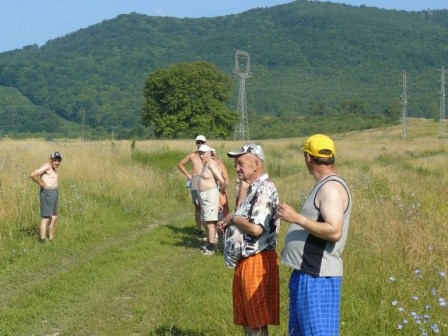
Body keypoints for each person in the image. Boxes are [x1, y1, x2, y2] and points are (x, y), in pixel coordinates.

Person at [279, 134, 352, 336]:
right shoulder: (326, 184)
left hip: (317, 276)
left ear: (308, 157)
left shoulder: (331, 188)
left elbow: (334, 231)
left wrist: (296, 218)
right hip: (307, 272)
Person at [218, 144, 280, 336]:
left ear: (256, 163)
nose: (237, 168)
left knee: (256, 320)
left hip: (257, 260)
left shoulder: (264, 189)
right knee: (248, 318)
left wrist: (233, 218)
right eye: (236, 164)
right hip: (247, 260)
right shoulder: (254, 188)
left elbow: (255, 228)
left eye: (240, 163)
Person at [198, 144, 227, 255]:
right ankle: (212, 243)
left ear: (209, 154)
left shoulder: (211, 164)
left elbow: (221, 180)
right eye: (200, 153)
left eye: (203, 153)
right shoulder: (205, 164)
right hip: (204, 196)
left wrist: (220, 195)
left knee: (210, 222)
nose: (201, 156)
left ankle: (212, 247)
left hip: (210, 196)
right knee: (204, 221)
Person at [30, 151, 62, 242]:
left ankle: (51, 238)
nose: (57, 162)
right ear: (51, 159)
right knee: (46, 217)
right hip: (47, 192)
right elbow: (33, 175)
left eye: (59, 160)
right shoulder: (47, 166)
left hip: (54, 192)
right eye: (55, 160)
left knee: (54, 216)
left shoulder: (52, 167)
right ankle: (43, 240)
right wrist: (41, 183)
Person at [177, 135, 206, 236]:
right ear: (196, 143)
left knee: (206, 204)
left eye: (202, 142)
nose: (200, 144)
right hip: (195, 179)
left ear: (205, 143)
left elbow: (218, 164)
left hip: (206, 179)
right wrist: (189, 175)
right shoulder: (192, 155)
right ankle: (199, 229)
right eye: (198, 142)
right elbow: (180, 164)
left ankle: (209, 229)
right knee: (197, 205)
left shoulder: (209, 154)